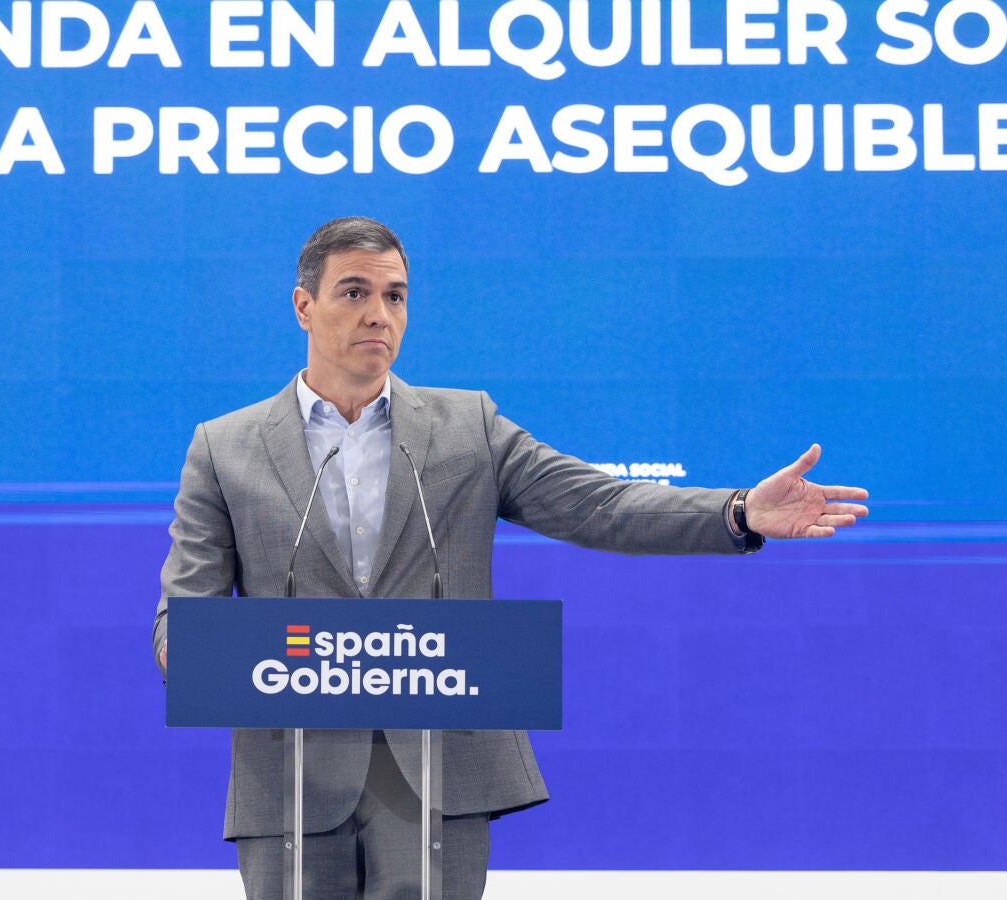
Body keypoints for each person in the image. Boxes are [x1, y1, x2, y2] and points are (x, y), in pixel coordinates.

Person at [153, 216, 869, 899]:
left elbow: (599, 505)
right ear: (303, 306)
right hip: (292, 774)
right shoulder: (226, 448)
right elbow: (181, 618)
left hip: (438, 769)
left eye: (395, 296)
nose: (379, 314)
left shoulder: (467, 428)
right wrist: (196, 658)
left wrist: (737, 511)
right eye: (355, 292)